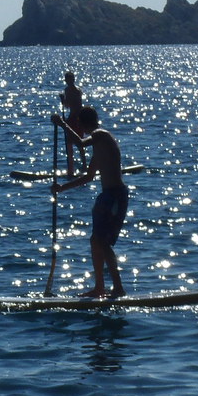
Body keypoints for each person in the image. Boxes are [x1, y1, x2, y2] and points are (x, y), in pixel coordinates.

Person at [51, 106, 128, 298]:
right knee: (95, 241)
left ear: (82, 124)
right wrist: (62, 188)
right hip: (106, 196)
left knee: (102, 242)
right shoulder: (99, 147)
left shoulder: (101, 134)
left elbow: (80, 144)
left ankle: (118, 287)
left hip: (115, 195)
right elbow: (89, 177)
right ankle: (99, 287)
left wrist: (62, 125)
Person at [60, 72, 83, 176]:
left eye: (68, 79)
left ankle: (85, 167)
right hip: (72, 118)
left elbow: (70, 105)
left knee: (79, 143)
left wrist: (63, 100)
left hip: (77, 119)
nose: (67, 81)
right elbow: (67, 106)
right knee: (69, 144)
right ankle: (71, 168)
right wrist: (63, 100)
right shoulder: (67, 90)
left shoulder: (76, 91)